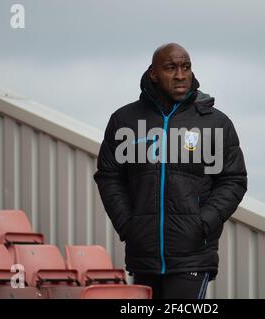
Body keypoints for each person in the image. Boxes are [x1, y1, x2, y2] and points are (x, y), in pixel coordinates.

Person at [94, 43, 247, 299]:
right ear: (153, 73)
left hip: (193, 256)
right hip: (145, 255)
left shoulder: (214, 123)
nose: (180, 75)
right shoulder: (125, 121)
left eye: (185, 67)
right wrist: (128, 225)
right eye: (171, 68)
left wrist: (203, 223)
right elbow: (109, 177)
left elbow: (233, 180)